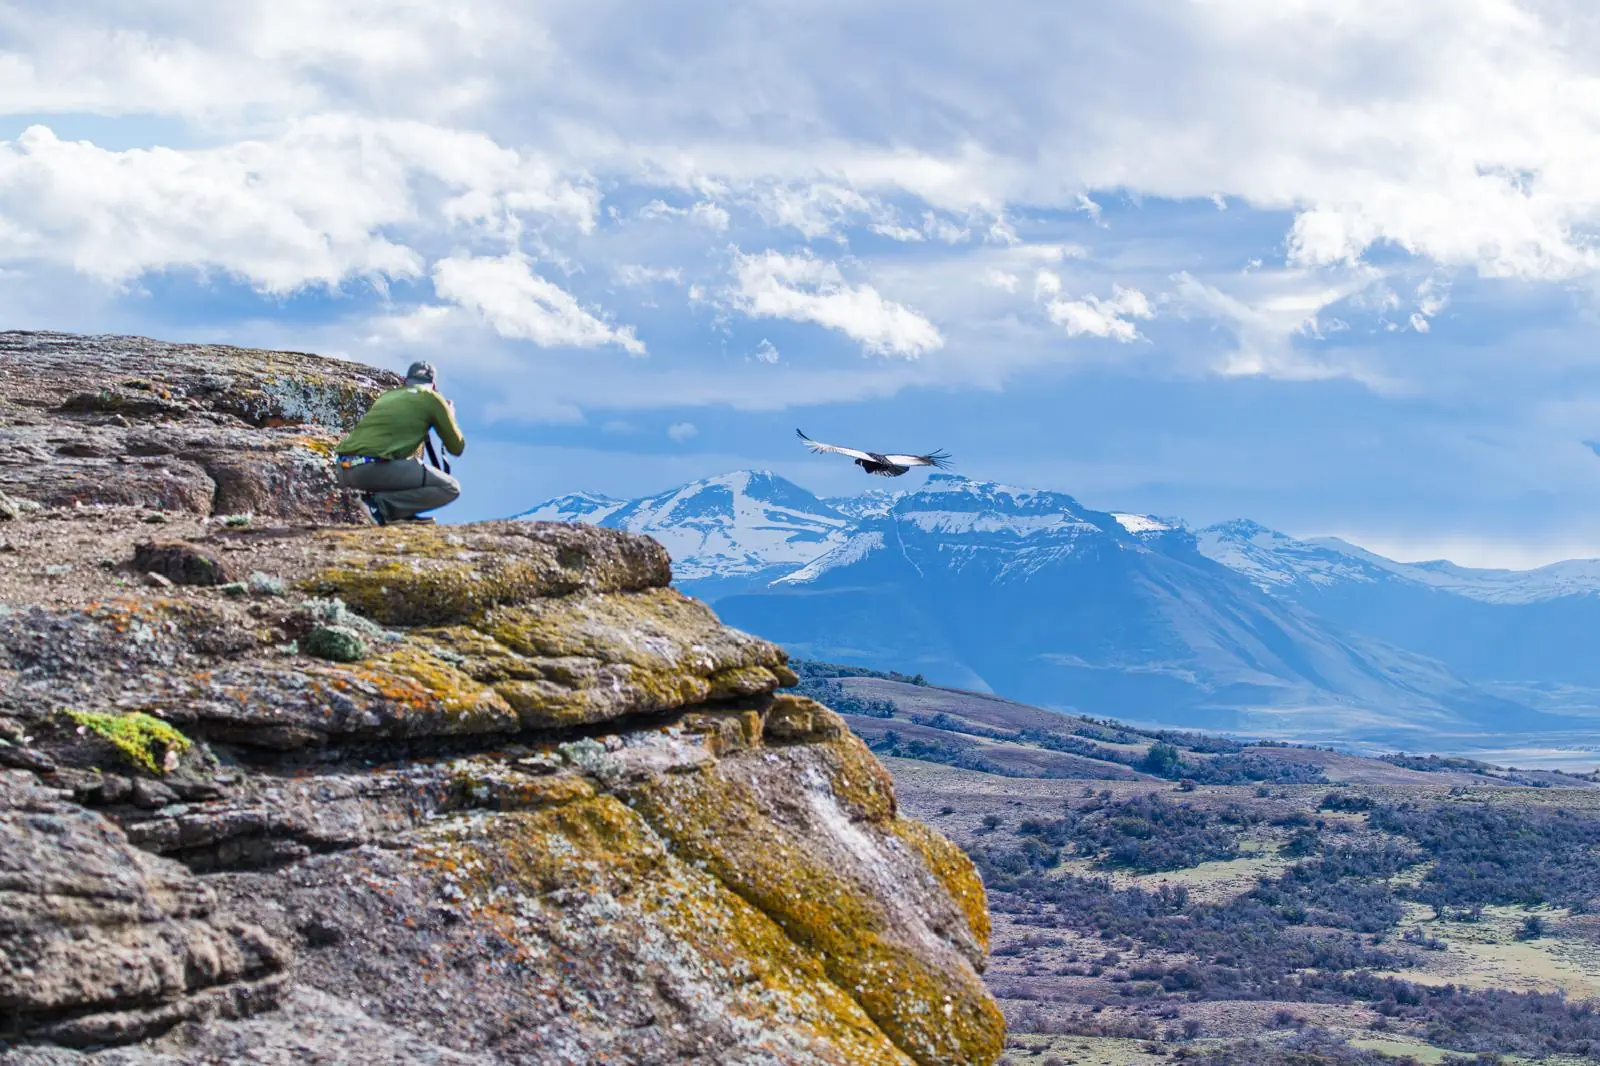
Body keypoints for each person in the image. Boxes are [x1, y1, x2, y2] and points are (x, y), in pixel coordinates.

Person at [334, 361, 465, 525]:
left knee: (407, 464)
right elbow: (456, 447)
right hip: (370, 470)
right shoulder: (432, 398)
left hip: (344, 468)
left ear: (405, 381)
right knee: (450, 487)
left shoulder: (388, 396)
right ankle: (380, 506)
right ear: (433, 385)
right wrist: (450, 416)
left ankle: (399, 515)